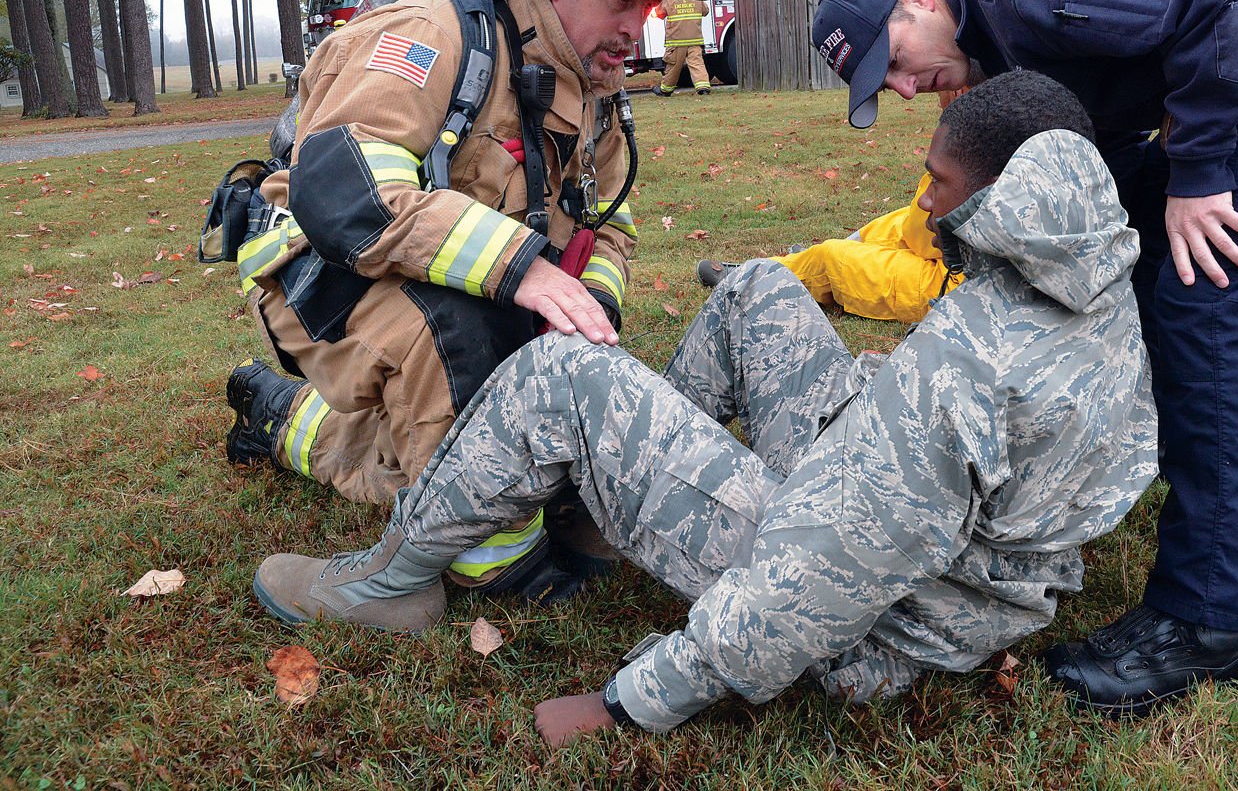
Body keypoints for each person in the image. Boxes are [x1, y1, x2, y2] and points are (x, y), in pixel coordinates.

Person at [251, 70, 1158, 744]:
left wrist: (623, 703)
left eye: (941, 184)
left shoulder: (959, 378)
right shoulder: (1090, 270)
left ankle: (386, 584)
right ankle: (611, 500)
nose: (924, 199)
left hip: (883, 625)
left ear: (1004, 197)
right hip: (953, 564)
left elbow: (812, 586)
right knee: (757, 291)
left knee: (560, 376)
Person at [812, 0, 1238, 713]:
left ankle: (1207, 621)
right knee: (1124, 270)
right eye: (884, 85)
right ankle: (1092, 490)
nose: (907, 85)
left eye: (896, 58)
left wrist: (1198, 174)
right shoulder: (1003, 37)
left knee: (1201, 301)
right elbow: (1112, 149)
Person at [225, 0, 719, 603]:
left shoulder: (595, 90)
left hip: (452, 280)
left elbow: (611, 225)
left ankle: (276, 414)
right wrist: (526, 271)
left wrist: (590, 310)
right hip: (317, 270)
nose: (636, 30)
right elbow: (345, 191)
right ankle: (496, 560)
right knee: (460, 336)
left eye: (650, 8)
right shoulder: (434, 33)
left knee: (438, 437)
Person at [697, 173, 962, 324]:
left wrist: (936, 176)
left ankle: (759, 278)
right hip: (964, 261)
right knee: (894, 224)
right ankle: (805, 260)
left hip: (954, 284)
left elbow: (922, 236)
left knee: (832, 257)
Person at [651, 0, 712, 95]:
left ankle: (666, 90)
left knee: (673, 65)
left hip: (677, 40)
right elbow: (705, 11)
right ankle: (703, 87)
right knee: (697, 63)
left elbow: (659, 13)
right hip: (694, 39)